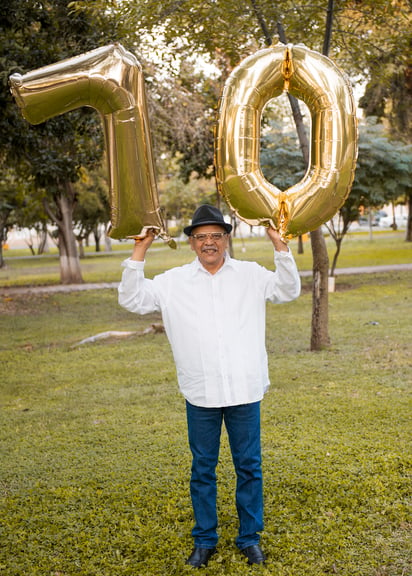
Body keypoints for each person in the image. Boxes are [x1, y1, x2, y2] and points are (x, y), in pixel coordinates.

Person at [118, 204, 301, 568]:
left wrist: (280, 245)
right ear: (191, 243)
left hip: (244, 390)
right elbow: (132, 299)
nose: (209, 243)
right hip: (200, 392)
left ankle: (249, 538)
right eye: (201, 237)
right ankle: (205, 540)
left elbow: (288, 290)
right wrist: (140, 249)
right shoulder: (173, 282)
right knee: (203, 468)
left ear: (227, 238)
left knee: (249, 466)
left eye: (216, 235)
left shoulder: (250, 275)